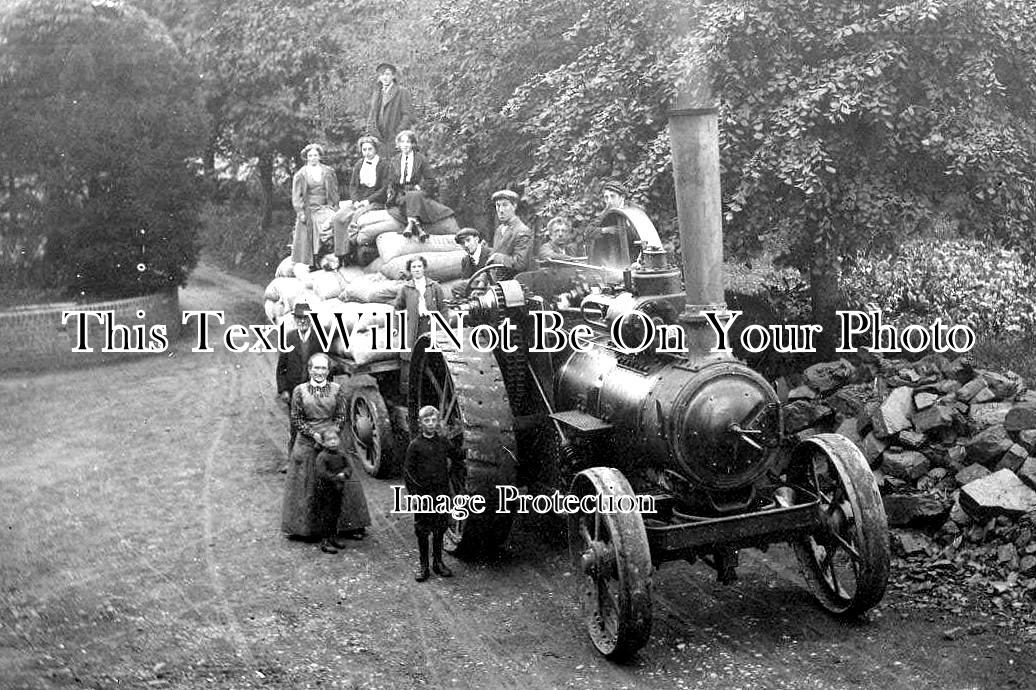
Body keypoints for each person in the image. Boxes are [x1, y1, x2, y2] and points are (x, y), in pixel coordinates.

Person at [282, 353, 348, 546]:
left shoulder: (337, 389)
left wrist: (330, 435)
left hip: (331, 440)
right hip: (307, 441)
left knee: (340, 481)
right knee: (308, 483)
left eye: (323, 368)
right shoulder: (300, 391)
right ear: (309, 370)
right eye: (316, 368)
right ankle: (306, 529)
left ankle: (342, 528)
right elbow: (296, 418)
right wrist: (314, 435)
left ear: (329, 371)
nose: (319, 372)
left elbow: (341, 416)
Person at [403, 405, 462, 581]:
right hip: (423, 495)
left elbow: (457, 454)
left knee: (439, 528)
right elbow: (408, 472)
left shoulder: (443, 442)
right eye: (427, 420)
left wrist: (476, 451)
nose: (430, 423)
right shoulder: (415, 445)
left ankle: (438, 563)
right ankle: (423, 567)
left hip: (441, 493)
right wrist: (413, 495)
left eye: (434, 420)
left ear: (437, 422)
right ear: (420, 423)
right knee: (422, 530)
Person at [332, 135, 390, 263]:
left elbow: (384, 189)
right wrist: (356, 200)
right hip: (359, 200)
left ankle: (351, 250)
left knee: (356, 217)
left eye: (370, 149)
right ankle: (341, 254)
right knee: (338, 217)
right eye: (364, 150)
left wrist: (367, 201)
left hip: (376, 201)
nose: (367, 152)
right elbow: (353, 185)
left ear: (375, 149)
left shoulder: (384, 165)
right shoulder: (359, 164)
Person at [388, 130, 453, 241]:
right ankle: (417, 226)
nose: (405, 145)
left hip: (417, 191)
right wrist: (390, 193)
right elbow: (391, 181)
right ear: (398, 145)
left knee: (414, 195)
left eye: (408, 142)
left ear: (413, 144)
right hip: (401, 192)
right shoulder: (395, 160)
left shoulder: (420, 159)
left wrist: (421, 186)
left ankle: (410, 225)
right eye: (402, 142)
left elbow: (430, 179)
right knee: (408, 197)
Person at [314, 434, 371, 551]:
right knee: (326, 515)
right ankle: (325, 542)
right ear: (323, 443)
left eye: (335, 439)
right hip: (326, 490)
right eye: (329, 440)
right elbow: (322, 473)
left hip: (337, 489)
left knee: (335, 513)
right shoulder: (322, 457)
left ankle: (333, 538)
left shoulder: (341, 454)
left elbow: (348, 466)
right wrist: (336, 477)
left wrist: (345, 474)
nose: (333, 442)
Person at [291, 143, 340, 268]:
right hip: (309, 209)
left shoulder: (328, 172)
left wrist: (335, 206)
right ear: (306, 157)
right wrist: (300, 212)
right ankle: (314, 260)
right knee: (311, 226)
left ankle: (332, 255)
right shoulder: (301, 174)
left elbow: (334, 192)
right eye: (310, 155)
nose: (313, 158)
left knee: (334, 220)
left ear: (320, 157)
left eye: (315, 155)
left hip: (325, 207)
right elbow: (297, 197)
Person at [393, 255, 446, 357]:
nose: (417, 270)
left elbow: (443, 308)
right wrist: (395, 327)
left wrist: (442, 328)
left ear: (424, 268)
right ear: (410, 270)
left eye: (419, 266)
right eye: (414, 267)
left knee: (432, 357)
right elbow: (397, 308)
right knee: (414, 356)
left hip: (430, 325)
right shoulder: (406, 288)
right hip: (414, 326)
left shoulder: (434, 286)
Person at [366, 62, 415, 158]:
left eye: (387, 74)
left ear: (393, 76)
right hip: (379, 140)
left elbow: (407, 115)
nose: (385, 77)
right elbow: (372, 115)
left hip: (395, 139)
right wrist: (370, 133)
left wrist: (398, 134)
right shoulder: (377, 93)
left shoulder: (402, 92)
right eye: (382, 74)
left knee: (395, 167)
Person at [486, 189, 534, 277]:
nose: (500, 210)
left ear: (514, 206)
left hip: (512, 283)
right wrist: (482, 281)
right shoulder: (499, 230)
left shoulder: (522, 231)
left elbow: (520, 264)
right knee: (459, 287)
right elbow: (491, 260)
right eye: (498, 205)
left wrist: (498, 257)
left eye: (505, 205)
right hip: (495, 278)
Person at [452, 227, 490, 298]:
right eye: (462, 243)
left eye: (468, 240)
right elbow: (465, 283)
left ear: (476, 239)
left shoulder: (490, 254)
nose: (466, 245)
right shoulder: (465, 260)